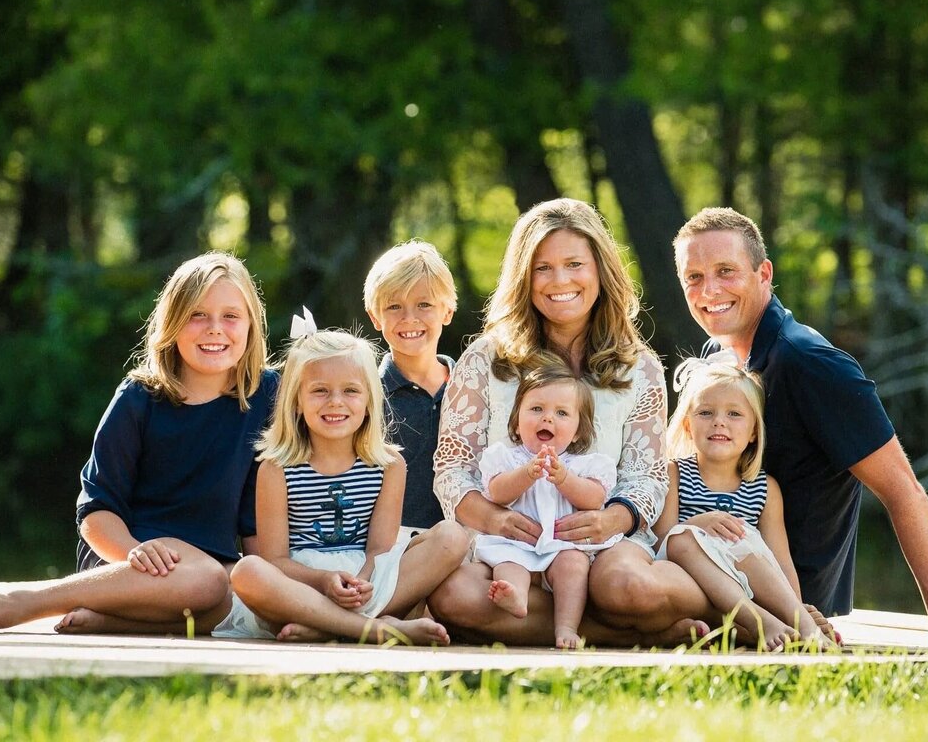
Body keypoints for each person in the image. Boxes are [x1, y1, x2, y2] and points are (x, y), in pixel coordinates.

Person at [673, 206, 928, 647]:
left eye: (725, 271)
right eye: (694, 278)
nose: (709, 290)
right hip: (705, 563)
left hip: (786, 596)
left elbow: (902, 489)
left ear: (764, 273)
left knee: (625, 589)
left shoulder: (811, 364)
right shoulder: (720, 359)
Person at [0, 251, 279, 635]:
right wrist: (132, 551)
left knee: (243, 596)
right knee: (207, 582)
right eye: (197, 315)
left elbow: (259, 506)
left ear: (252, 324)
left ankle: (109, 622)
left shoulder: (265, 396)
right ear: (172, 323)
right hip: (122, 559)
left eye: (230, 316)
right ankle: (25, 603)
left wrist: (269, 581)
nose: (215, 328)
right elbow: (95, 510)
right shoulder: (139, 399)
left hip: (212, 568)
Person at [431, 198, 712, 647]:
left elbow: (648, 476)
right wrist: (491, 517)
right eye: (543, 268)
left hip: (598, 545)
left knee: (629, 587)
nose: (560, 281)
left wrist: (614, 519)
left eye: (574, 264)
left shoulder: (637, 367)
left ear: (600, 269)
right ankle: (627, 629)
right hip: (509, 546)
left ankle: (712, 605)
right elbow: (452, 466)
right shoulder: (486, 359)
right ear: (524, 277)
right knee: (456, 597)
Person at [214, 328, 468, 645]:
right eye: (320, 391)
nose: (336, 403)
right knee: (247, 572)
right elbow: (276, 561)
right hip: (303, 586)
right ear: (296, 402)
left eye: (350, 391)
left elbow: (380, 550)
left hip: (368, 578)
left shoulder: (388, 465)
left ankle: (329, 627)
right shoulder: (277, 469)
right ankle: (374, 629)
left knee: (452, 536)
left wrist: (360, 583)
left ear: (369, 401)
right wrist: (323, 581)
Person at [654, 354, 830, 649]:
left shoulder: (764, 488)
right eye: (706, 413)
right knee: (681, 539)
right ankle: (758, 621)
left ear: (753, 433)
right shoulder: (675, 474)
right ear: (687, 426)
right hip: (694, 581)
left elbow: (779, 560)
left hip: (747, 581)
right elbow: (660, 543)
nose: (719, 423)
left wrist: (796, 604)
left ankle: (800, 623)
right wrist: (697, 525)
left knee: (744, 539)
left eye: (734, 414)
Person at [474, 362, 620, 649]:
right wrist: (526, 474)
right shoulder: (507, 458)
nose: (548, 419)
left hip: (562, 546)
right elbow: (497, 492)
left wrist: (565, 479)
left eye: (562, 413)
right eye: (537, 409)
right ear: (517, 421)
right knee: (508, 562)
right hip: (518, 543)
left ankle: (566, 626)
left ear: (578, 431)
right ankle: (515, 596)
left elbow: (594, 498)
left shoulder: (585, 464)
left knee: (574, 566)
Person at [363, 240, 457, 530]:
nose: (409, 318)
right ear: (375, 317)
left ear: (447, 311)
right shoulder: (366, 398)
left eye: (424, 304)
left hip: (470, 546)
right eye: (394, 306)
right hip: (396, 551)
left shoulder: (472, 389)